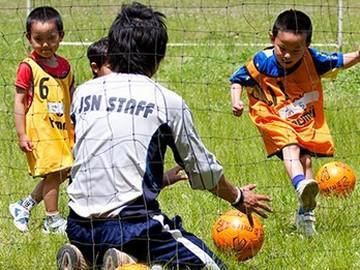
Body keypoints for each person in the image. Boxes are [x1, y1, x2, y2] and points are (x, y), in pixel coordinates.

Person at [59, 2, 272, 270]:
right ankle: (134, 258)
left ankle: (94, 257)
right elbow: (203, 171)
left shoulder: (83, 94)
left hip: (77, 224)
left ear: (111, 51)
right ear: (158, 56)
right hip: (134, 225)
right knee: (214, 267)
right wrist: (238, 197)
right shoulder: (166, 101)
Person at [229, 9, 360, 237]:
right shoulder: (262, 61)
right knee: (290, 145)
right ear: (272, 39)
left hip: (299, 117)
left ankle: (306, 214)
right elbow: (237, 80)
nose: (287, 55)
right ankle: (300, 184)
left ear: (307, 45)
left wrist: (358, 54)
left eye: (296, 50)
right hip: (271, 115)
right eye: (282, 48)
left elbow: (339, 60)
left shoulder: (313, 59)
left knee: (306, 161)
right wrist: (236, 100)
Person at [9, 6, 74, 234]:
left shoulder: (66, 66)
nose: (45, 44)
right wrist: (21, 134)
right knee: (55, 172)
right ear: (29, 38)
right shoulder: (28, 67)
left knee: (63, 171)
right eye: (38, 39)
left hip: (63, 130)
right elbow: (19, 101)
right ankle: (52, 219)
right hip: (41, 132)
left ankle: (23, 206)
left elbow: (70, 98)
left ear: (61, 37)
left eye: (51, 38)